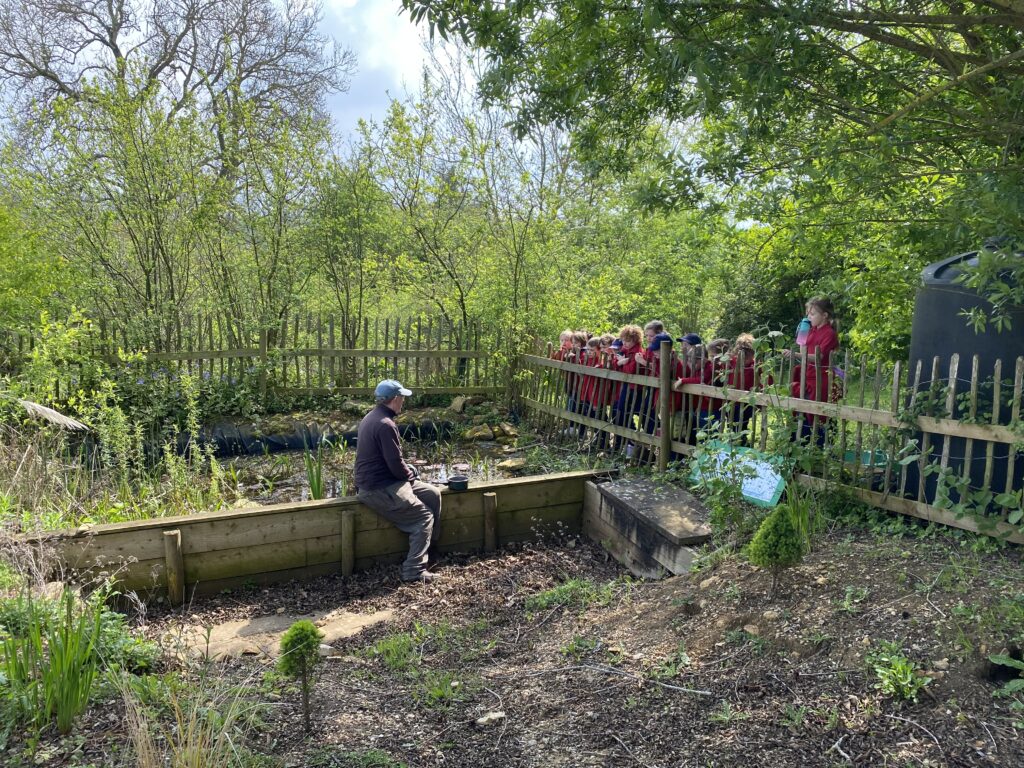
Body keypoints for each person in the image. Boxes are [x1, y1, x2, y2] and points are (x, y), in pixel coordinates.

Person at [355, 379, 442, 583]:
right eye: (402, 398)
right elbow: (395, 465)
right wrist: (411, 475)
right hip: (379, 488)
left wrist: (409, 472)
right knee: (424, 518)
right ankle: (413, 571)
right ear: (394, 399)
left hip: (388, 481)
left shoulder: (372, 417)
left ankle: (429, 550)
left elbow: (393, 462)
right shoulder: (385, 425)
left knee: (433, 494)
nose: (403, 402)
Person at [788, 297, 840, 445]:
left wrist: (795, 355)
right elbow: (802, 349)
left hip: (820, 380)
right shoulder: (810, 330)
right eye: (808, 313)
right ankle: (801, 449)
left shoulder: (829, 333)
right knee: (801, 414)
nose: (809, 317)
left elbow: (819, 357)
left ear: (825, 315)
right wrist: (802, 334)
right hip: (806, 376)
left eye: (813, 314)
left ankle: (821, 449)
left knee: (818, 417)